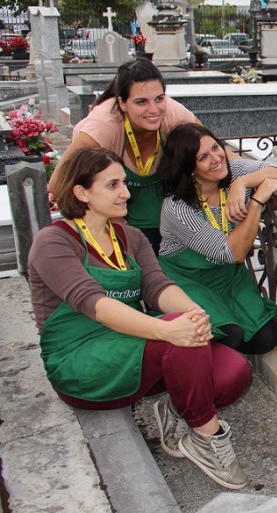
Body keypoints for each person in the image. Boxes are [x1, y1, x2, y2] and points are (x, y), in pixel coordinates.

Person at [27, 147, 252, 490]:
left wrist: (194, 315)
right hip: (81, 358)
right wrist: (167, 328)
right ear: (82, 192)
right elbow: (96, 304)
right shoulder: (54, 241)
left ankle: (176, 412)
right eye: (113, 185)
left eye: (124, 183)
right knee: (177, 338)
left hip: (132, 344)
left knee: (233, 374)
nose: (127, 193)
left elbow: (157, 286)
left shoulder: (130, 237)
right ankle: (207, 437)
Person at [157, 123, 277, 354]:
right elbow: (233, 253)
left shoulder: (232, 172)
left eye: (215, 147)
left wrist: (243, 183)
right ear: (189, 168)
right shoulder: (177, 207)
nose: (215, 158)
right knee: (228, 334)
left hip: (229, 277)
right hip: (188, 280)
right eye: (203, 157)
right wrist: (257, 201)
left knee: (263, 340)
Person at [53, 58, 213, 252]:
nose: (153, 109)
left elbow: (218, 154)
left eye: (159, 98)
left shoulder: (173, 114)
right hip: (116, 225)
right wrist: (107, 220)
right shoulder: (104, 126)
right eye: (141, 102)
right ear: (122, 103)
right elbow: (58, 184)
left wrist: (244, 181)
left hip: (166, 223)